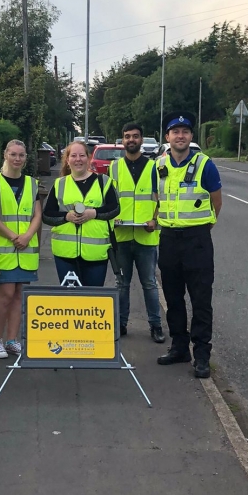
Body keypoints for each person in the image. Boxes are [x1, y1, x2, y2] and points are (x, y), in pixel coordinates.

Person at [155, 111, 223, 379]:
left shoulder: (205, 164)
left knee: (201, 299)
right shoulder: (158, 166)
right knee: (173, 299)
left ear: (190, 136)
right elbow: (156, 199)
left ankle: (202, 355)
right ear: (167, 137)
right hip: (169, 239)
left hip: (197, 240)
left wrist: (202, 229)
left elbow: (216, 203)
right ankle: (180, 348)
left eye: (185, 131)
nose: (180, 136)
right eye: (175, 131)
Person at [109, 123, 165, 343]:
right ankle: (121, 325)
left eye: (135, 136)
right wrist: (113, 218)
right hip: (121, 236)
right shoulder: (114, 168)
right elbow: (108, 200)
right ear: (122, 140)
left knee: (150, 283)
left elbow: (163, 198)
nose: (131, 140)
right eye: (127, 136)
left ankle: (156, 326)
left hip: (146, 235)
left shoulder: (154, 167)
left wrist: (155, 220)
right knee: (121, 284)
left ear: (142, 140)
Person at [0, 140, 42, 358]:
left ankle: (12, 340)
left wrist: (28, 235)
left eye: (21, 155)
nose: (17, 159)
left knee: (19, 294)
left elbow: (37, 214)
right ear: (5, 155)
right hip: (4, 248)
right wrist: (13, 236)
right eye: (13, 155)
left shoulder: (31, 183)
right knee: (5, 295)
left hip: (26, 249)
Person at [42, 140, 120, 287]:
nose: (78, 159)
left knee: (92, 302)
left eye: (82, 155)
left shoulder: (103, 181)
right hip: (65, 255)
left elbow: (115, 209)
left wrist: (93, 213)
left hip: (95, 254)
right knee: (70, 303)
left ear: (89, 158)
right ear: (67, 160)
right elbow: (46, 215)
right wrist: (66, 217)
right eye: (74, 156)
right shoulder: (60, 184)